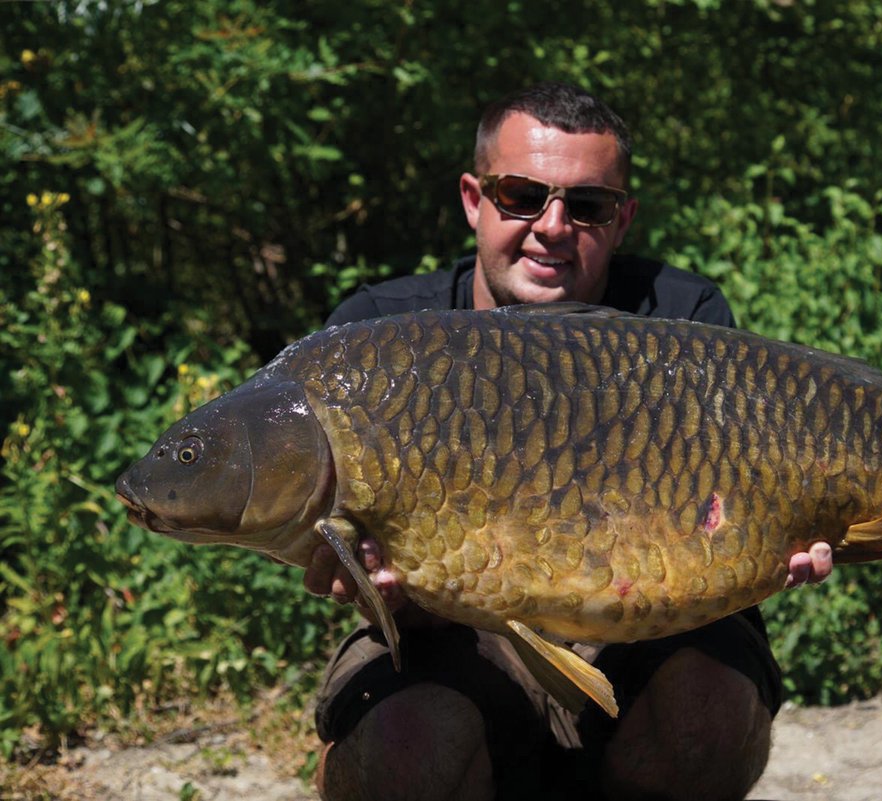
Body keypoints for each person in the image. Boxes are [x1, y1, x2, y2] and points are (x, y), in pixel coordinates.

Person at [302, 82, 834, 801]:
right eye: (522, 195)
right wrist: (376, 588)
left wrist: (776, 539)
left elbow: (732, 505)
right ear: (474, 199)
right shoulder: (376, 341)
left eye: (587, 205)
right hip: (443, 631)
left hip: (637, 625)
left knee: (708, 715)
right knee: (403, 748)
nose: (553, 226)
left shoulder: (681, 317)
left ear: (622, 218)